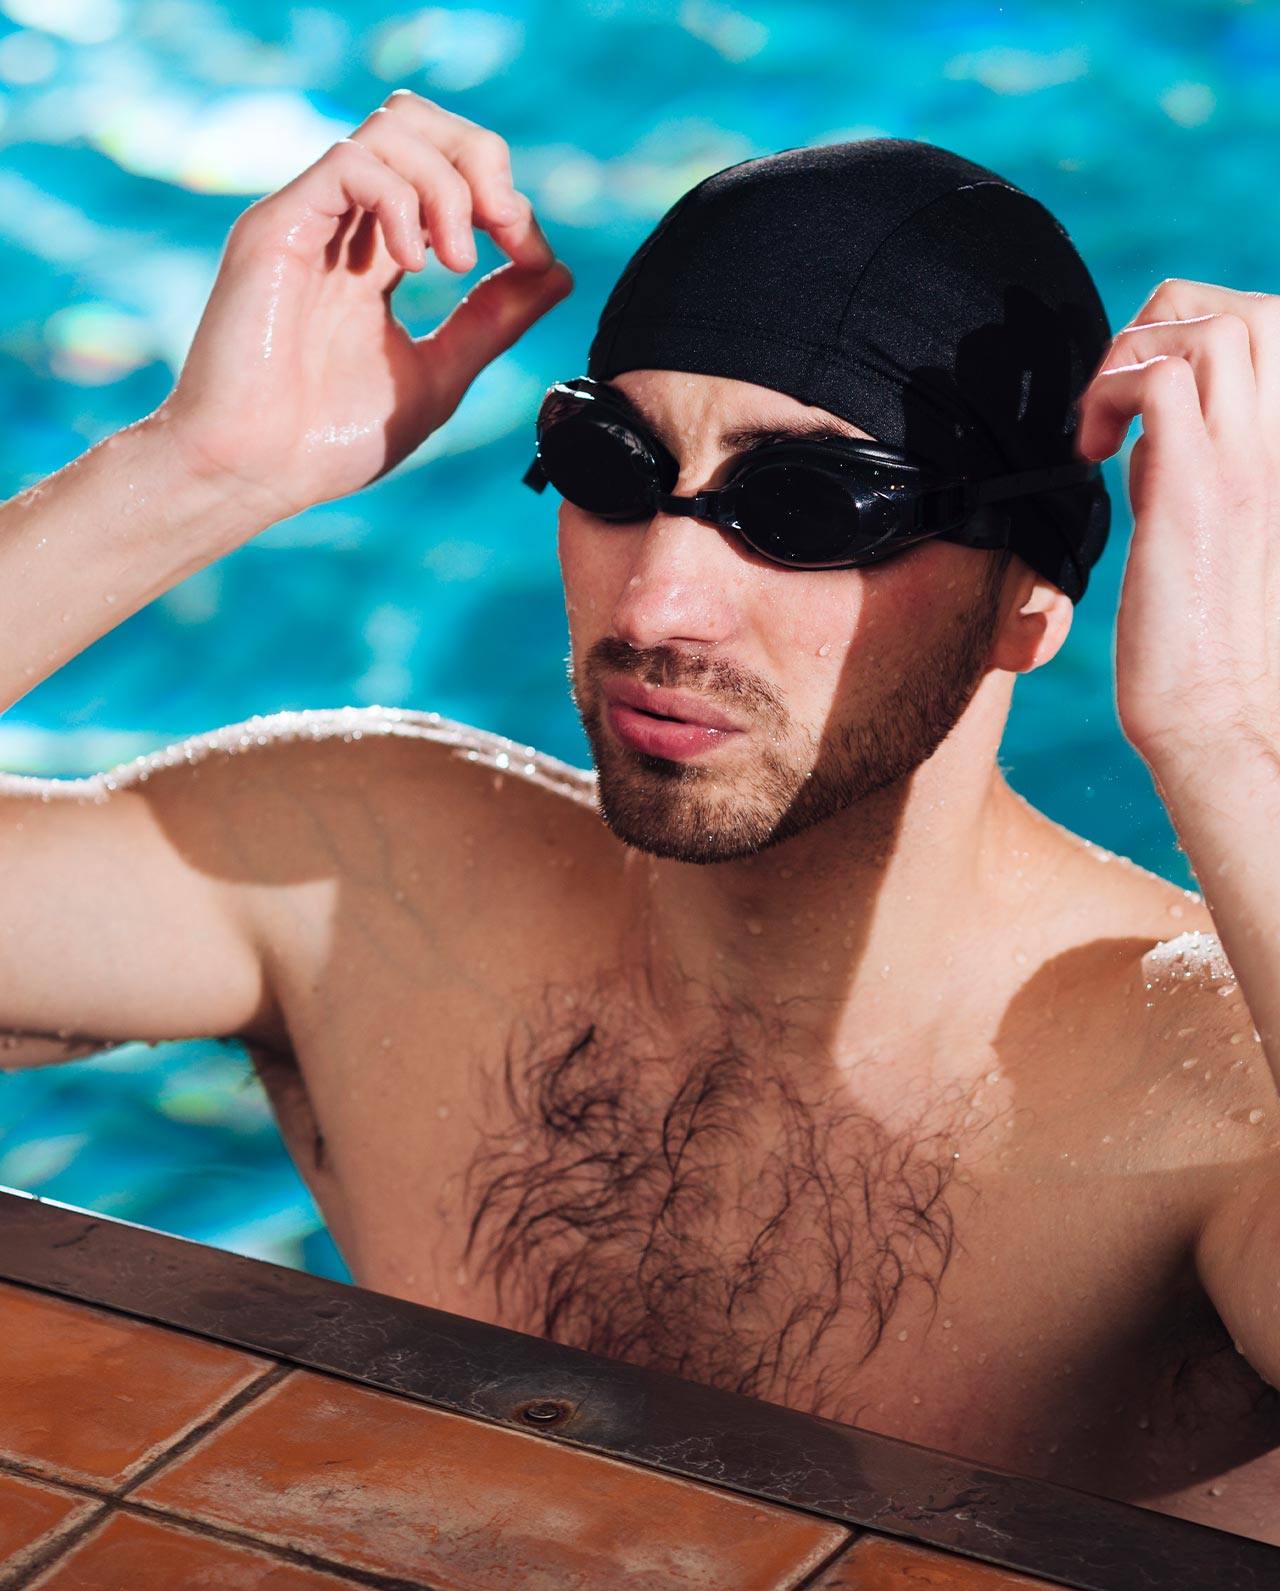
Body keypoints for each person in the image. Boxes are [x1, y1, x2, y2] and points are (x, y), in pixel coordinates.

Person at [2, 89, 1279, 1545]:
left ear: (1030, 600)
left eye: (805, 510)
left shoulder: (1217, 1085)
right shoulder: (360, 878)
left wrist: (1234, 742)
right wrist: (193, 470)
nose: (661, 604)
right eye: (614, 466)